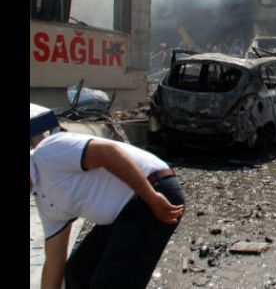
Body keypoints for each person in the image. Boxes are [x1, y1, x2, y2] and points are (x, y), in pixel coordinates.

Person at [30, 104, 185, 288]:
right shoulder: (45, 202)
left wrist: (151, 197)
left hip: (154, 190)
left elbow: (109, 153)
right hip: (125, 212)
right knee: (77, 272)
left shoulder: (48, 152)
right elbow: (55, 261)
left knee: (109, 282)